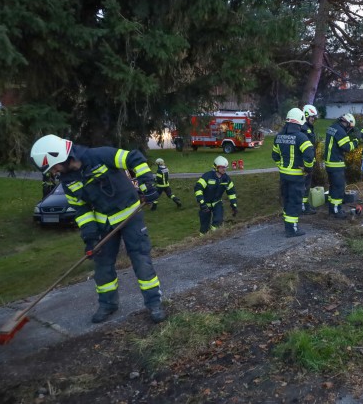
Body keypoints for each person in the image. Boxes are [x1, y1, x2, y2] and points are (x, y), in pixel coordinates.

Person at [30, 134, 165, 324]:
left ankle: (154, 304)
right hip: (104, 222)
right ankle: (108, 305)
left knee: (141, 260)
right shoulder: (68, 182)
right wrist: (90, 237)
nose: (53, 172)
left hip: (130, 215)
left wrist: (147, 183)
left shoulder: (100, 155)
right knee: (102, 266)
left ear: (61, 157)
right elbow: (82, 211)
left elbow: (133, 158)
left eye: (53, 167)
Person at [273, 108, 315, 237]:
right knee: (295, 202)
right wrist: (307, 169)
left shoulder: (279, 136)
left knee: (287, 200)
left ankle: (288, 226)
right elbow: (309, 156)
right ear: (300, 121)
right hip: (296, 176)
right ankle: (293, 230)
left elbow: (275, 156)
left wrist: (282, 167)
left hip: (283, 175)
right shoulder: (301, 137)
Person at [324, 113, 361, 218]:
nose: (349, 130)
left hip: (329, 163)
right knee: (339, 188)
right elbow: (347, 147)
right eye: (350, 127)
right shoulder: (340, 131)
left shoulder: (332, 127)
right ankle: (336, 212)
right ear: (347, 123)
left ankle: (332, 209)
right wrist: (356, 140)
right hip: (336, 163)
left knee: (333, 187)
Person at [194, 156, 238, 236]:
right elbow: (198, 189)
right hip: (205, 204)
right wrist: (202, 203)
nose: (224, 169)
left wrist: (234, 205)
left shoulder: (226, 179)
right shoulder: (207, 176)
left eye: (225, 167)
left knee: (218, 220)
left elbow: (231, 192)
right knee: (204, 226)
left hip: (217, 203)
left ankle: (214, 236)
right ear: (216, 167)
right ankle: (202, 240)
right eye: (222, 168)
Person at [301, 104, 318, 214]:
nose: (313, 119)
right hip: (304, 164)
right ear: (306, 116)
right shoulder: (303, 129)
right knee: (304, 186)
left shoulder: (308, 128)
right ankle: (303, 207)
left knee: (307, 186)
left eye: (314, 117)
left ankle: (305, 206)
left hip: (309, 162)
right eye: (312, 117)